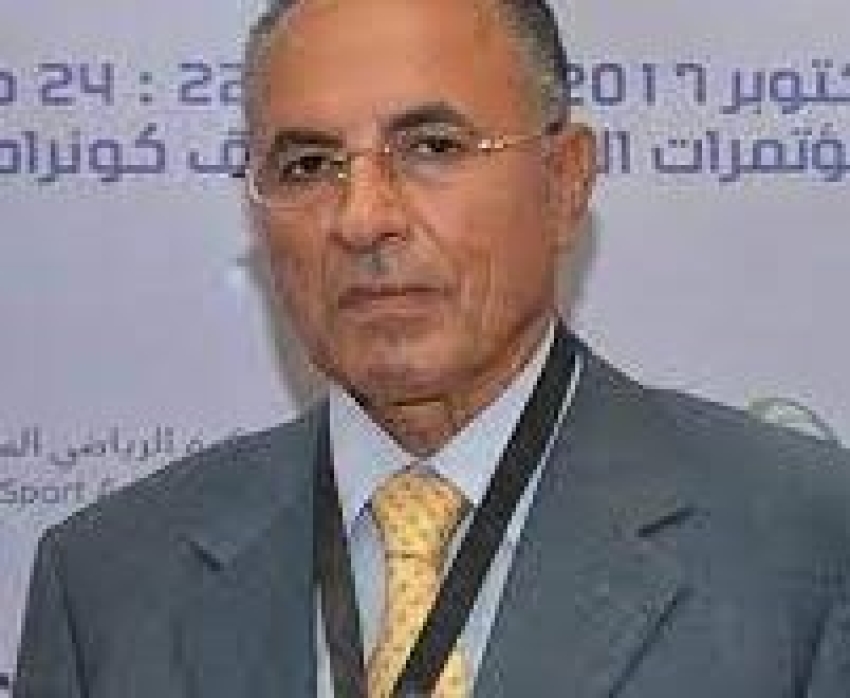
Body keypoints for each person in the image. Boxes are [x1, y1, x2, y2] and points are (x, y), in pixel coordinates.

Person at [13, 0, 850, 695]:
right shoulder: (109, 584)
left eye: (432, 148)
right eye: (308, 164)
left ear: (565, 181)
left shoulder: (809, 544)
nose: (362, 218)